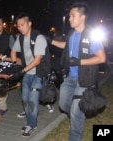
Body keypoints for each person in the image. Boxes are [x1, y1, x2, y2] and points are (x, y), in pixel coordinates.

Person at [49, 2, 106, 141]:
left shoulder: (90, 35)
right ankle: (78, 117)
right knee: (63, 104)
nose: (69, 18)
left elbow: (102, 58)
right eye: (69, 16)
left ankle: (75, 134)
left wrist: (80, 61)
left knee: (75, 111)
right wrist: (50, 41)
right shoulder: (71, 34)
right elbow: (66, 46)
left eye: (73, 16)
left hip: (85, 79)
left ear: (82, 17)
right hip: (70, 77)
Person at [10, 12, 48, 138]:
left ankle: (32, 124)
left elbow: (37, 60)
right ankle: (30, 121)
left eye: (22, 24)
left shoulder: (39, 37)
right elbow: (13, 51)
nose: (20, 27)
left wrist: (22, 71)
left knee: (32, 99)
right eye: (18, 25)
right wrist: (16, 63)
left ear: (29, 23)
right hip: (27, 72)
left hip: (39, 73)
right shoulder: (20, 38)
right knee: (25, 99)